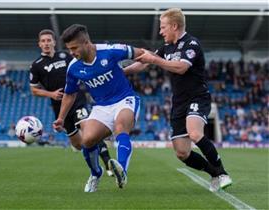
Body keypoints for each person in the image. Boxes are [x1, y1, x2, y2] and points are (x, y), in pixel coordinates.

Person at [124, 8, 232, 192]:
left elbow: (181, 68)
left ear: (174, 26)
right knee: (182, 153)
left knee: (195, 133)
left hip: (197, 97)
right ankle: (213, 173)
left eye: (163, 27)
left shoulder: (192, 44)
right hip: (178, 103)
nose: (160, 31)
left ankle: (223, 173)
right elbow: (143, 62)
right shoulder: (166, 48)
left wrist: (155, 60)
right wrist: (121, 72)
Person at [53, 24, 144, 192]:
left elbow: (142, 54)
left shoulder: (111, 51)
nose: (71, 53)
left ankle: (122, 171)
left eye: (74, 48)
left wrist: (148, 63)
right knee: (86, 140)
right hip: (101, 106)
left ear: (86, 43)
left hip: (125, 99)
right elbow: (69, 94)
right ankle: (96, 173)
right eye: (69, 49)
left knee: (120, 127)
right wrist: (61, 117)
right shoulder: (73, 68)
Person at [29, 29, 113, 176]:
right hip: (60, 107)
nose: (46, 43)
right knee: (78, 144)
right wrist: (51, 94)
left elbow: (81, 66)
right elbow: (34, 90)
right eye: (43, 41)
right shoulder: (36, 65)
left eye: (49, 40)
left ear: (54, 42)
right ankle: (96, 158)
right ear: (39, 44)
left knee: (88, 133)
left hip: (77, 99)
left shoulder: (65, 56)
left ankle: (107, 164)